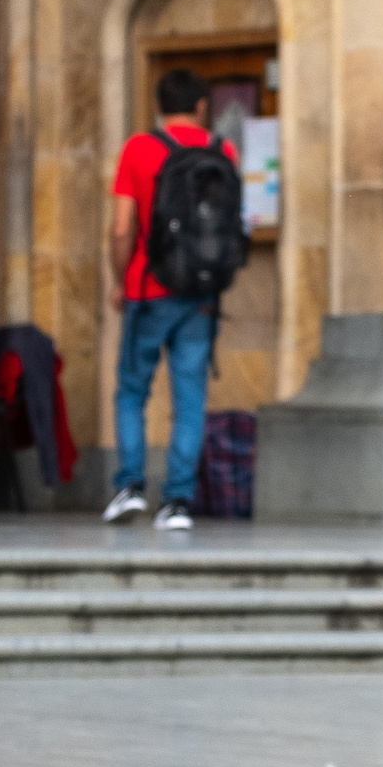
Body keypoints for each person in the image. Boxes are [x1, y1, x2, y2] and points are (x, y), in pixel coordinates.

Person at [103, 68, 235, 531]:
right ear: (202, 106)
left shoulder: (139, 149)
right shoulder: (224, 151)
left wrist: (119, 279)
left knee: (133, 391)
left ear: (158, 106)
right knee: (190, 397)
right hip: (200, 294)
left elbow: (122, 228)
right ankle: (177, 502)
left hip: (147, 288)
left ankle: (130, 488)